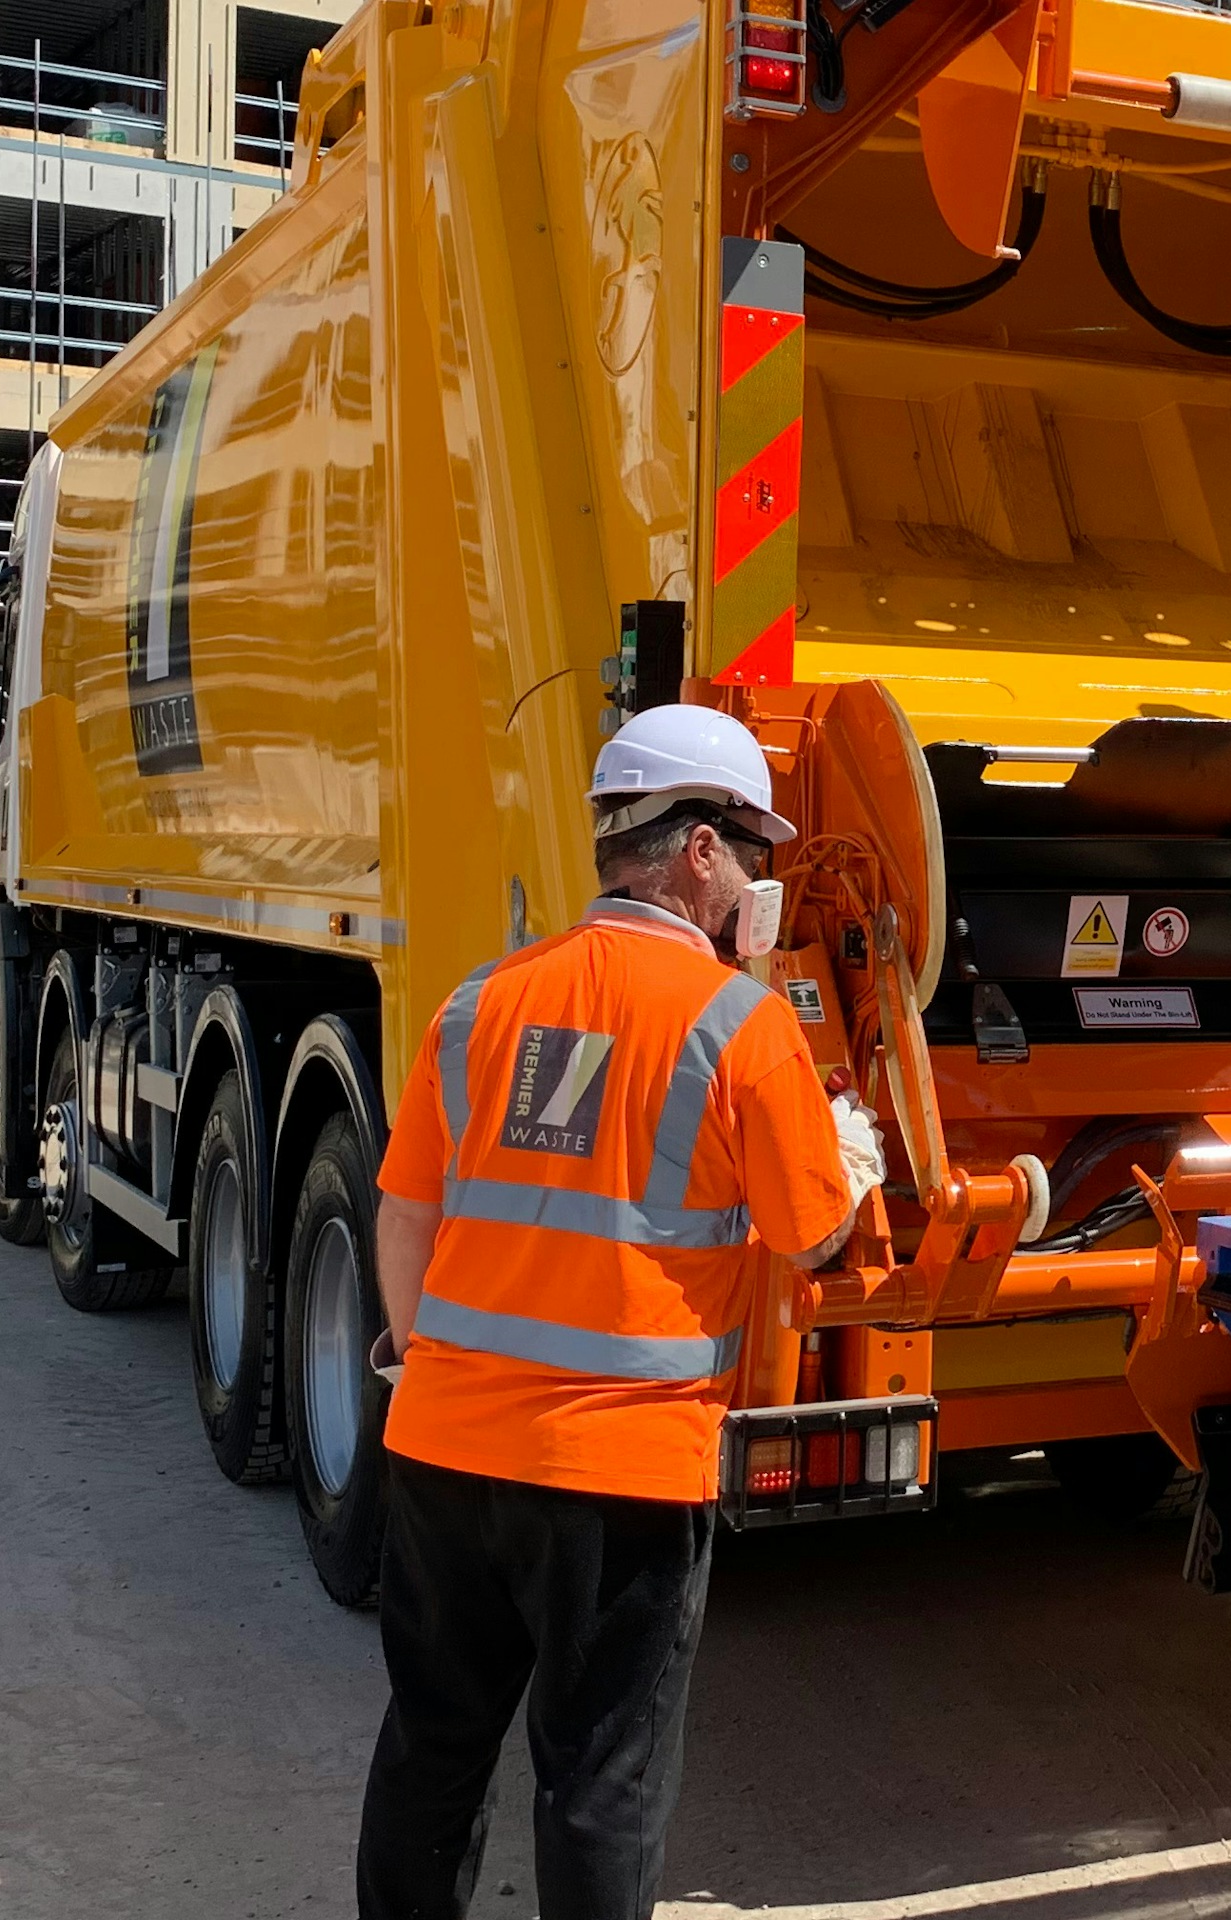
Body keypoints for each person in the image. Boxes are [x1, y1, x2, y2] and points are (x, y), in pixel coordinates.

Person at [353, 704, 885, 1920]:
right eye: (753, 850)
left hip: (442, 1452)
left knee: (431, 1748)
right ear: (698, 851)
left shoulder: (479, 1003)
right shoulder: (740, 1026)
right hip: (622, 1474)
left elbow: (403, 1216)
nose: (760, 880)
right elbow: (811, 1236)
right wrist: (848, 1161)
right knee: (600, 1783)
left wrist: (426, 1356)